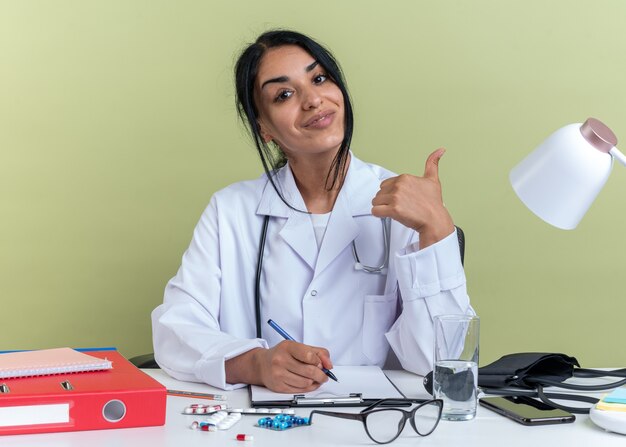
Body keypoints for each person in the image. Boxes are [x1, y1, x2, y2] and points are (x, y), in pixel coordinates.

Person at [151, 29, 473, 393]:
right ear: (264, 128)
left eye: (319, 78)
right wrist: (255, 363)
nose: (312, 100)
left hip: (374, 424)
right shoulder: (231, 211)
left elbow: (439, 358)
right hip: (261, 426)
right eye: (284, 94)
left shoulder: (403, 204)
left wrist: (436, 227)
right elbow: (174, 329)